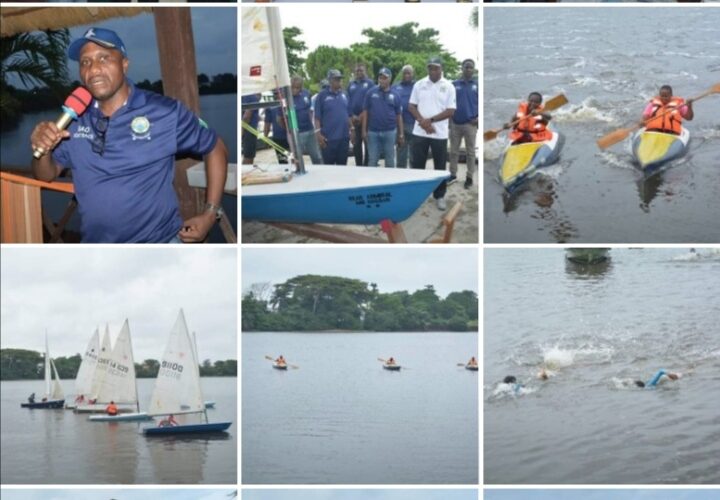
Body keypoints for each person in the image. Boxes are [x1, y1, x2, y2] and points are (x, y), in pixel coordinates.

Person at [30, 28, 228, 244]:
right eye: (85, 62)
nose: (94, 69)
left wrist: (211, 213)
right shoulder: (74, 119)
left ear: (124, 64)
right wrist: (43, 151)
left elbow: (215, 147)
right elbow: (45, 175)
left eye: (104, 58)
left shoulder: (164, 112)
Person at [409, 56, 457, 211]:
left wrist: (430, 121)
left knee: (440, 166)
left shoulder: (449, 86)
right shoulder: (419, 84)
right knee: (418, 164)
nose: (433, 70)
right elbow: (411, 106)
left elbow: (450, 111)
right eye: (430, 67)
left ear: (441, 68)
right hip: (420, 132)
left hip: (439, 133)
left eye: (436, 67)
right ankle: (416, 195)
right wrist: (422, 121)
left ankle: (440, 195)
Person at [362, 67, 403, 168]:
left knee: (390, 160)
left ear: (390, 79)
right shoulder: (370, 93)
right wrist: (364, 130)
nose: (382, 80)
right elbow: (365, 112)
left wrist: (401, 133)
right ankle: (373, 183)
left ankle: (390, 182)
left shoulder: (395, 95)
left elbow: (399, 115)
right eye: (380, 77)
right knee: (372, 160)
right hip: (373, 132)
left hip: (390, 132)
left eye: (385, 78)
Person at [449, 59, 478, 189]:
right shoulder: (454, 84)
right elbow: (448, 103)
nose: (468, 69)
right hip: (455, 123)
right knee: (453, 152)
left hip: (470, 124)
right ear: (462, 68)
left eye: (471, 67)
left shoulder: (477, 85)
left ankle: (469, 177)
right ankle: (453, 175)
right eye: (466, 67)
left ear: (473, 69)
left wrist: (478, 118)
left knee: (470, 152)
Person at [314, 69, 353, 165]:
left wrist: (352, 129)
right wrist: (318, 134)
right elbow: (317, 117)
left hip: (343, 138)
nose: (339, 81)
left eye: (340, 79)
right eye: (336, 79)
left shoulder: (344, 94)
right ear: (330, 80)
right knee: (329, 169)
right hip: (328, 139)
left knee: (342, 167)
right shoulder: (322, 95)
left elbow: (347, 114)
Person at [290, 76, 323, 165]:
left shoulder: (306, 93)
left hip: (310, 130)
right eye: (293, 87)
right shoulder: (287, 97)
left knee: (316, 156)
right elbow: (281, 119)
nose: (294, 90)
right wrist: (291, 130)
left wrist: (314, 127)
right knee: (297, 157)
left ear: (301, 87)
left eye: (297, 87)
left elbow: (310, 111)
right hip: (297, 133)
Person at [347, 63, 374, 166]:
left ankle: (367, 165)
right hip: (354, 120)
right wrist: (352, 115)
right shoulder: (351, 84)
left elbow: (372, 101)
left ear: (365, 71)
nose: (359, 72)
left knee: (367, 143)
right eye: (357, 71)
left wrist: (363, 115)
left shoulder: (370, 83)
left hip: (367, 119)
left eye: (361, 70)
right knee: (356, 144)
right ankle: (358, 165)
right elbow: (348, 101)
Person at [393, 65, 416, 168]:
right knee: (401, 149)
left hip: (414, 123)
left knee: (414, 152)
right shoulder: (395, 86)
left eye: (409, 73)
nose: (406, 75)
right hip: (399, 124)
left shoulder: (417, 86)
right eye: (405, 73)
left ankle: (413, 174)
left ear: (413, 74)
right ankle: (401, 172)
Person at [242, 93, 261, 164]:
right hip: (249, 131)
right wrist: (242, 131)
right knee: (249, 157)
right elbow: (246, 116)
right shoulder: (253, 98)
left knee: (247, 155)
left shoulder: (244, 96)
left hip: (246, 130)